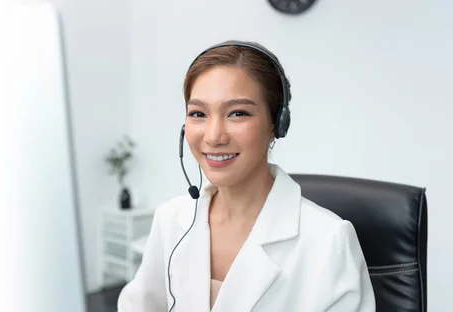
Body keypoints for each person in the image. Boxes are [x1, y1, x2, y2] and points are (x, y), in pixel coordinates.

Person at [116, 40, 375, 312]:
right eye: (198, 114)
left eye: (238, 113)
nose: (214, 136)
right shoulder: (171, 219)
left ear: (277, 123)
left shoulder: (328, 240)